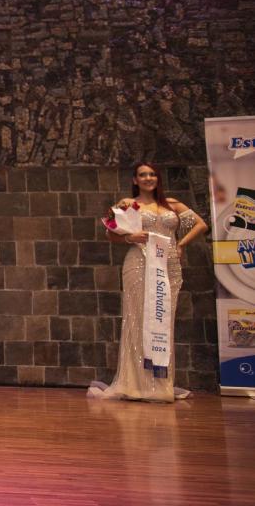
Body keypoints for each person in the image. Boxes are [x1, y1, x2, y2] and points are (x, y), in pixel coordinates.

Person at [89, 163, 207, 403]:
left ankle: (160, 384)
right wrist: (129, 237)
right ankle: (135, 384)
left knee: (163, 321)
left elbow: (201, 225)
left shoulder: (171, 204)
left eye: (152, 174)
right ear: (135, 180)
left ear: (157, 178)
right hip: (140, 263)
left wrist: (181, 244)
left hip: (168, 267)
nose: (148, 178)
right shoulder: (129, 204)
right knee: (138, 319)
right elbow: (110, 232)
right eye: (143, 175)